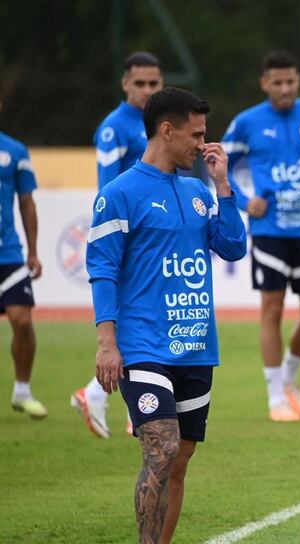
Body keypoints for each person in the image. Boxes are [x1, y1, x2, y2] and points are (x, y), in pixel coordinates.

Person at [86, 87, 247, 544]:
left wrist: (223, 186)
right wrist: (107, 343)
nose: (205, 144)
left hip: (197, 343)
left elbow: (233, 246)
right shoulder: (120, 192)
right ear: (167, 130)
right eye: (197, 134)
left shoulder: (199, 189)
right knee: (161, 447)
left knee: (180, 459)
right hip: (142, 345)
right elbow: (103, 268)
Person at [222, 50, 300, 422]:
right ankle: (275, 397)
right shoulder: (246, 122)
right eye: (277, 82)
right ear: (264, 83)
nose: (285, 88)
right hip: (270, 232)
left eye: (290, 81)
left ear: (299, 80)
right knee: (270, 310)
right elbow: (217, 163)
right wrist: (243, 201)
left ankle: (289, 375)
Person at [71, 51, 164, 438]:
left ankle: (95, 394)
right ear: (125, 83)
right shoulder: (114, 127)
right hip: (126, 234)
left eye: (153, 83)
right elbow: (106, 188)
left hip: (154, 234)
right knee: (135, 318)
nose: (146, 90)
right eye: (139, 83)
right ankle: (131, 405)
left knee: (148, 314)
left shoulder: (161, 122)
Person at [0, 119, 47, 419]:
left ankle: (22, 391)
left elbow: (27, 202)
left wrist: (32, 250)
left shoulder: (15, 150)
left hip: (9, 253)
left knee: (21, 320)